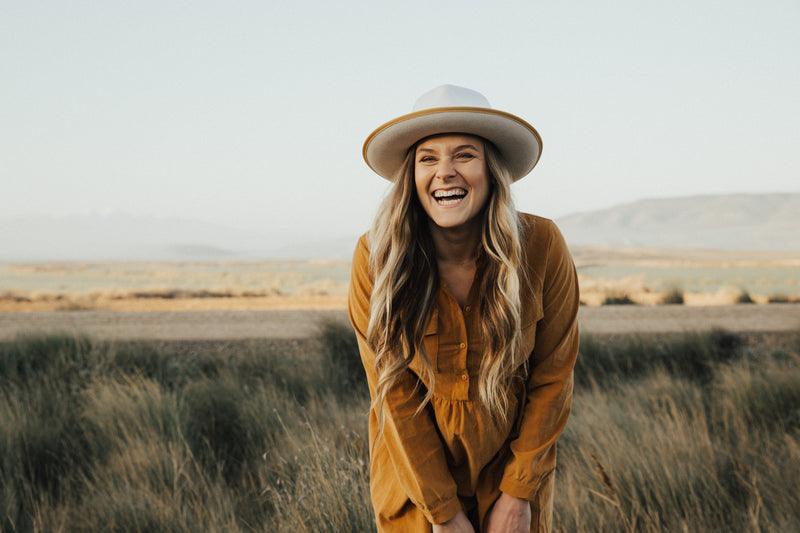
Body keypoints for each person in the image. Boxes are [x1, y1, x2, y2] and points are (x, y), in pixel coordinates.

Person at [348, 84, 579, 533]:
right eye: (428, 158)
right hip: (415, 490)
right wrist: (444, 514)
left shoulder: (542, 245)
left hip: (512, 489)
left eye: (465, 155)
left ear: (492, 170)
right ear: (411, 177)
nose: (445, 173)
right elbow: (392, 396)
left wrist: (518, 492)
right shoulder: (376, 257)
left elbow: (554, 378)